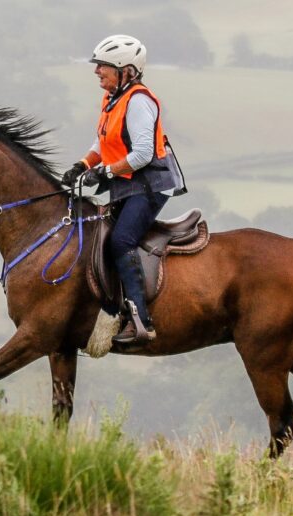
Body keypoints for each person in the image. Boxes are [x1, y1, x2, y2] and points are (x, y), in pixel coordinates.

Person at [62, 34, 185, 345]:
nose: (96, 72)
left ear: (125, 70)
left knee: (121, 241)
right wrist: (83, 165)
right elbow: (102, 142)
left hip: (149, 186)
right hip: (128, 184)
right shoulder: (113, 98)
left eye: (103, 66)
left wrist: (104, 171)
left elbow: (143, 154)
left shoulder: (139, 101)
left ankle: (141, 321)